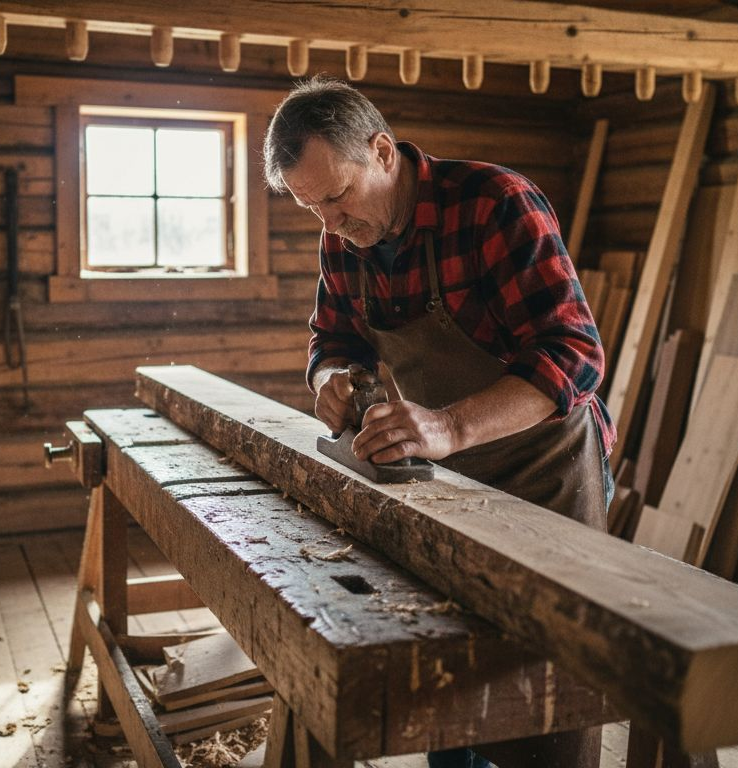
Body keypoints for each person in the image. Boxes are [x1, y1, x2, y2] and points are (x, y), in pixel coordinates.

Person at [264, 77, 613, 768]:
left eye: (336, 197)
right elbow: (330, 339)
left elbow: (576, 354)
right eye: (311, 209)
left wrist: (451, 427)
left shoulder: (493, 205)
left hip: (545, 471)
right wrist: (329, 380)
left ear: (384, 153)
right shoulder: (345, 239)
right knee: (450, 682)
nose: (330, 223)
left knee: (545, 688)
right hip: (446, 477)